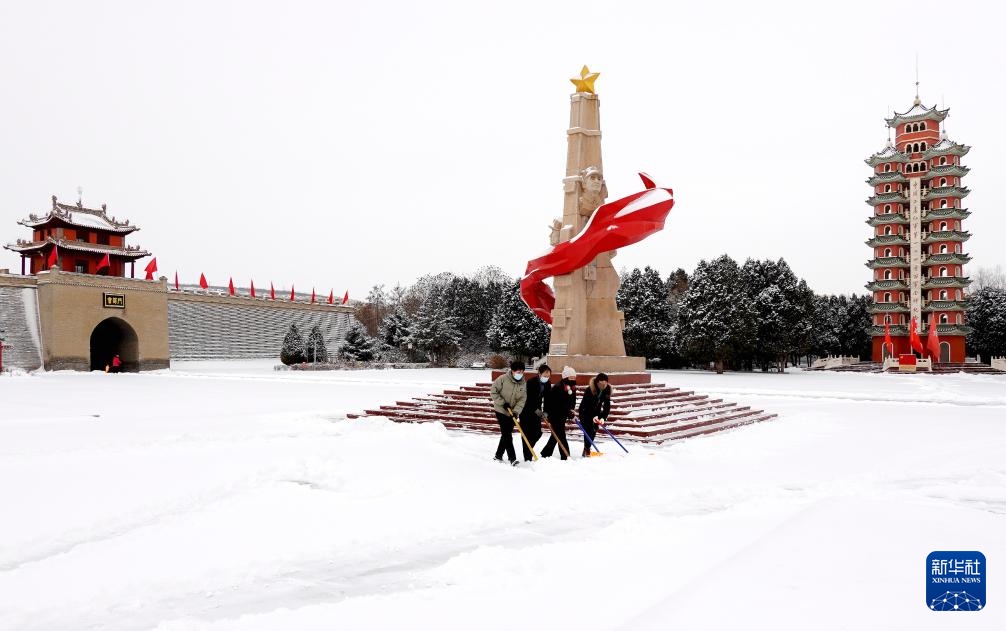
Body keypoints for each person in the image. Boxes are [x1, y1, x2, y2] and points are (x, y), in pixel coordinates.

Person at [489, 360, 527, 465]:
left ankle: (498, 455)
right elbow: (493, 391)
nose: (520, 374)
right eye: (518, 372)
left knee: (506, 434)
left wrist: (516, 411)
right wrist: (503, 403)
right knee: (507, 434)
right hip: (501, 410)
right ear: (513, 371)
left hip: (512, 412)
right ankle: (512, 458)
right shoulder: (502, 379)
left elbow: (522, 399)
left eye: (522, 372)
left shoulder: (523, 383)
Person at [541, 365, 577, 459]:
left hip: (563, 414)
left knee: (556, 434)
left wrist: (571, 410)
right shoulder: (558, 388)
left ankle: (545, 453)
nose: (573, 379)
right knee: (561, 434)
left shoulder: (572, 387)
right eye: (571, 377)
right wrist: (567, 411)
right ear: (565, 377)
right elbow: (558, 404)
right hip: (554, 414)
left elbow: (572, 400)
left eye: (574, 377)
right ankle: (565, 456)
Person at [518, 364, 551, 461]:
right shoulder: (531, 382)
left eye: (548, 376)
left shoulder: (547, 384)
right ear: (539, 373)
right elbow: (527, 399)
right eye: (545, 376)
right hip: (526, 411)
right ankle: (527, 457)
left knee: (537, 433)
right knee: (526, 434)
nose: (546, 378)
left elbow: (547, 399)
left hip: (537, 412)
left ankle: (528, 451)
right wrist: (536, 410)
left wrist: (546, 412)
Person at [578, 372, 611, 457]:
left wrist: (603, 417)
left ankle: (587, 447)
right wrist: (593, 417)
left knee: (594, 430)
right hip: (585, 412)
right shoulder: (590, 390)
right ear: (597, 382)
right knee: (588, 430)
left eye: (605, 383)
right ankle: (587, 449)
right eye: (601, 383)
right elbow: (587, 405)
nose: (603, 385)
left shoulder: (607, 390)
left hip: (597, 413)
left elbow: (607, 406)